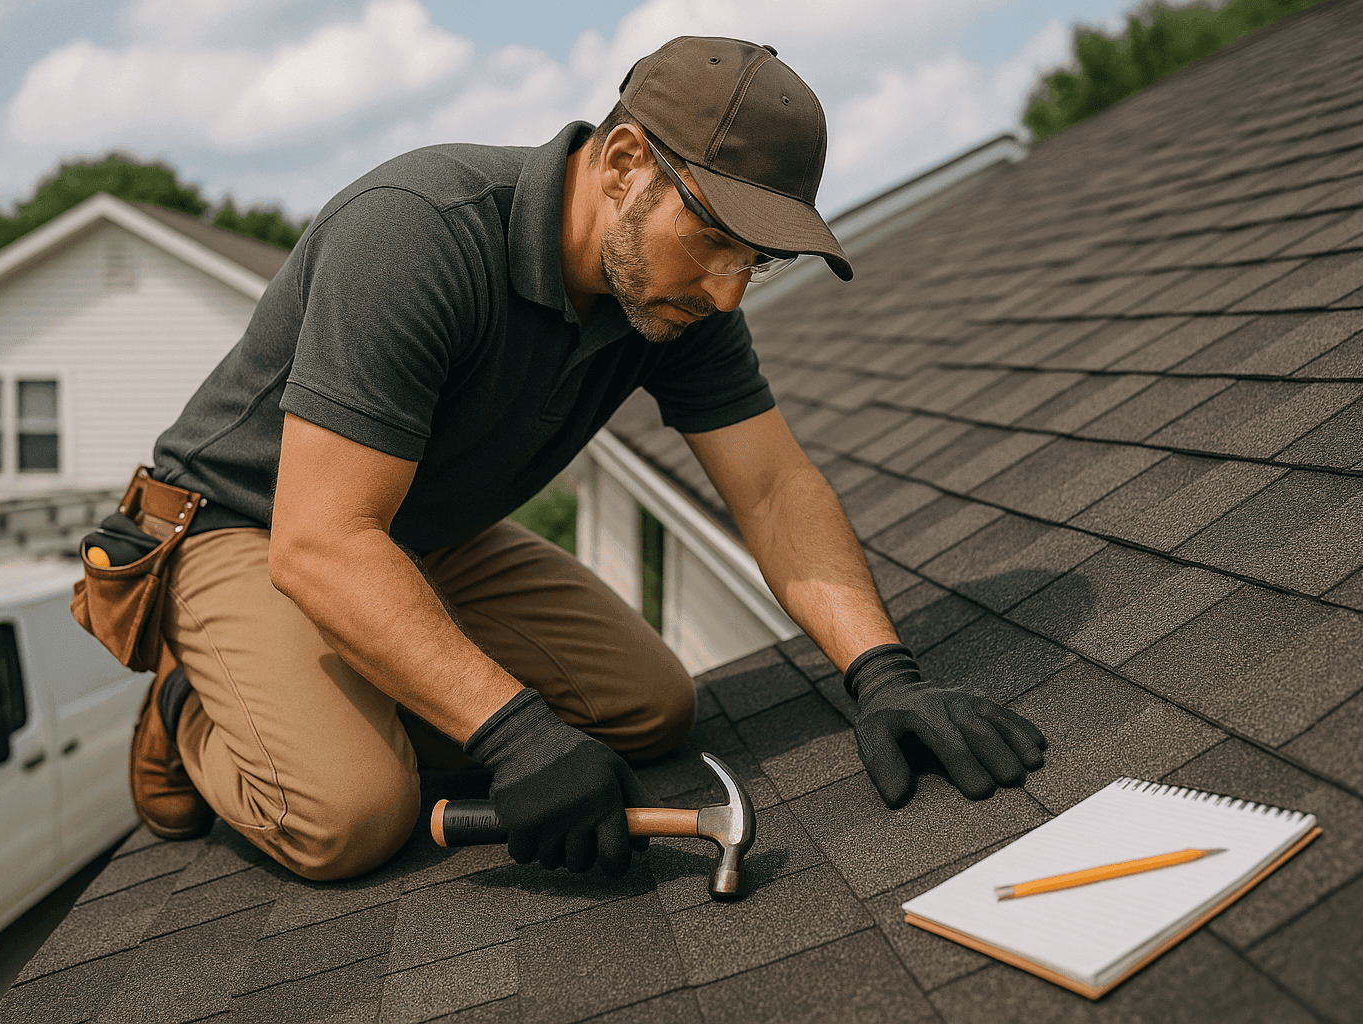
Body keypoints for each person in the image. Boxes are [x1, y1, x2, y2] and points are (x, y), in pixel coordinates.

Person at [127, 35, 1047, 883]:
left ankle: (345, 670)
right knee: (354, 814)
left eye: (757, 259)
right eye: (715, 239)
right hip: (247, 524)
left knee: (651, 708)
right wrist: (513, 733)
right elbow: (319, 542)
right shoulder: (416, 233)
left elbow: (771, 488)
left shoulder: (676, 298)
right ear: (622, 164)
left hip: (419, 527)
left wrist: (885, 674)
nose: (729, 292)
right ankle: (190, 703)